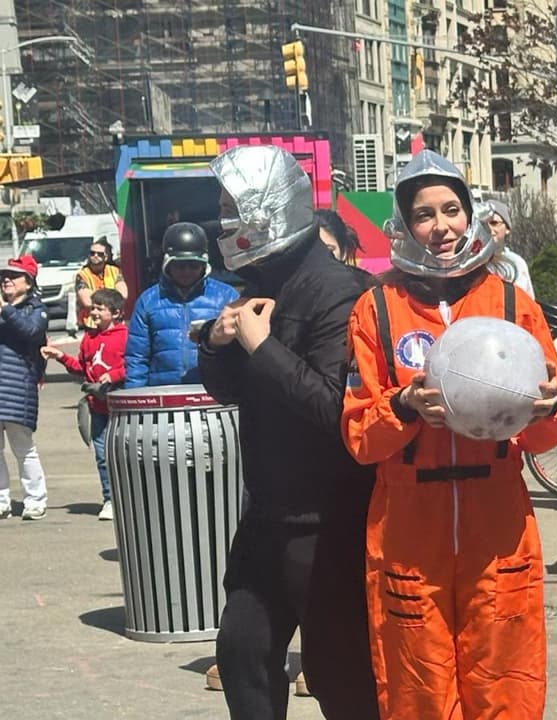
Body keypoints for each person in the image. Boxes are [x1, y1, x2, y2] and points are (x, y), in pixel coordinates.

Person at [341, 150, 557, 720]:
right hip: (408, 531)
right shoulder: (377, 309)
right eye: (424, 215)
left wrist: (544, 410)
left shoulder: (513, 305)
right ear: (403, 225)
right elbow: (359, 436)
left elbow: (556, 427)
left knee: (505, 686)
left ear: (470, 213)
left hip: (497, 526)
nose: (441, 227)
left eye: (451, 209)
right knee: (417, 691)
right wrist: (405, 405)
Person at [193, 145, 381, 719]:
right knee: (243, 652)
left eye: (232, 207)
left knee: (338, 676)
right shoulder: (253, 285)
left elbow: (333, 407)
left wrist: (260, 345)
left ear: (265, 206)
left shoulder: (339, 291)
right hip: (267, 514)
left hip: (328, 523)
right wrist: (215, 344)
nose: (224, 221)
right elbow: (232, 390)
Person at [41, 288, 127, 521]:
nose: (95, 312)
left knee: (125, 455)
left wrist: (115, 375)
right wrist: (60, 357)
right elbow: (81, 369)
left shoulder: (125, 335)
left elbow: (135, 363)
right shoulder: (89, 338)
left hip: (121, 408)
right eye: (94, 307)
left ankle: (129, 498)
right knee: (102, 456)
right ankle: (109, 499)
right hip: (96, 407)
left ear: (116, 313)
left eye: (101, 308)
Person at [124, 223, 237, 388]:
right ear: (167, 263)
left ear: (204, 265)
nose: (186, 271)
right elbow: (137, 357)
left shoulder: (226, 297)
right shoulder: (148, 301)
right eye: (179, 265)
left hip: (215, 395)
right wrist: (135, 396)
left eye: (193, 265)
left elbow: (238, 354)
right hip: (163, 397)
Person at [0, 255, 49, 521]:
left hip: (18, 387)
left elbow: (30, 333)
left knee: (23, 447)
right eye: (3, 276)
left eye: (13, 276)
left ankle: (35, 499)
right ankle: (2, 500)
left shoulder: (36, 309)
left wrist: (5, 310)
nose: (6, 279)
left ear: (29, 283)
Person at [74, 239, 129, 337]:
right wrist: (111, 299)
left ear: (106, 256)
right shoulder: (82, 275)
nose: (95, 256)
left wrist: (97, 296)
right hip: (93, 325)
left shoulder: (115, 271)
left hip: (115, 324)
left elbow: (123, 295)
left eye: (99, 254)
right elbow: (87, 302)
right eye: (92, 253)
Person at [484, 198, 536, 298]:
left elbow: (528, 301)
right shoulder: (472, 263)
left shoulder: (516, 263)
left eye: (494, 223)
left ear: (507, 228)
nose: (490, 229)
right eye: (484, 224)